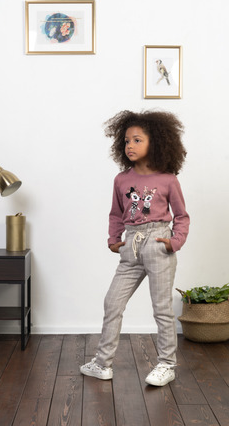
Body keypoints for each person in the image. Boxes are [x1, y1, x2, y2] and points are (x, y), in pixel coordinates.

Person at [80, 110, 190, 386]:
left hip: (157, 244)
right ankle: (102, 363)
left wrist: (173, 242)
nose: (130, 145)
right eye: (127, 141)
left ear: (156, 142)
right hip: (131, 245)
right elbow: (116, 214)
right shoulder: (121, 180)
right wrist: (114, 239)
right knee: (112, 302)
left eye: (137, 140)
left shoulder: (168, 180)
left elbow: (182, 216)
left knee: (161, 308)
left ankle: (167, 364)